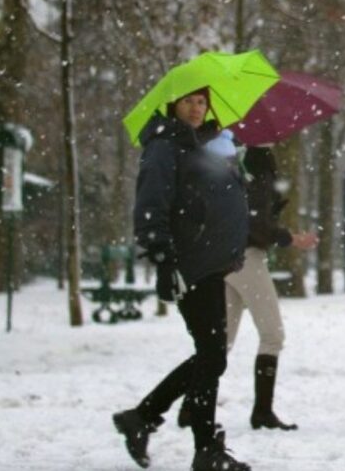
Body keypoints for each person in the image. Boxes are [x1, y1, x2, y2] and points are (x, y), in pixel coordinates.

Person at [113, 88, 251, 470]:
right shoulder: (164, 145)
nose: (196, 108)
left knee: (212, 356)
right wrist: (161, 253)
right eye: (189, 101)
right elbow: (151, 202)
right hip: (189, 262)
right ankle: (204, 448)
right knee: (212, 355)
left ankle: (142, 418)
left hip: (211, 262)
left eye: (202, 102)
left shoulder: (201, 144)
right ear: (172, 104)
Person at [176, 146, 318, 432]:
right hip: (246, 259)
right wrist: (288, 237)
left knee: (220, 342)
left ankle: (190, 405)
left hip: (226, 256)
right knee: (272, 335)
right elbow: (255, 221)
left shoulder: (233, 159)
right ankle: (262, 412)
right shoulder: (257, 164)